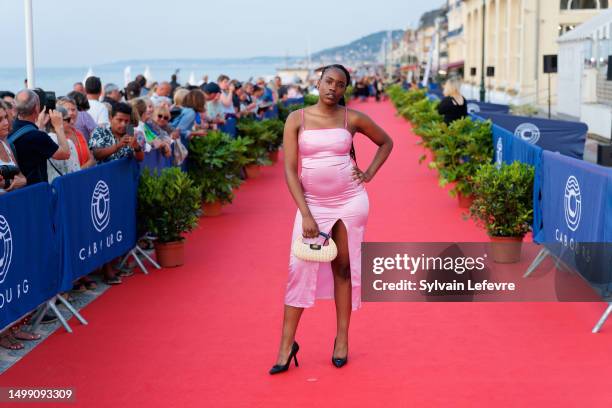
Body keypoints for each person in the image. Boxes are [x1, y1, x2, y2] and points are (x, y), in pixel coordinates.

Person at [270, 64, 393, 375]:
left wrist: (368, 173)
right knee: (298, 269)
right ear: (318, 82)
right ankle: (286, 345)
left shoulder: (352, 118)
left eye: (340, 84)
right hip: (312, 204)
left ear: (344, 89)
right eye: (328, 81)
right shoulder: (296, 119)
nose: (333, 88)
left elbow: (386, 142)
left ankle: (341, 338)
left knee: (343, 268)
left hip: (350, 201)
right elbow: (289, 170)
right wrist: (306, 213)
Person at [9, 89, 71, 185]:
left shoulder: (10, 128)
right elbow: (65, 154)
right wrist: (58, 127)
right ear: (36, 108)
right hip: (36, 191)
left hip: (17, 191)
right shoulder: (37, 136)